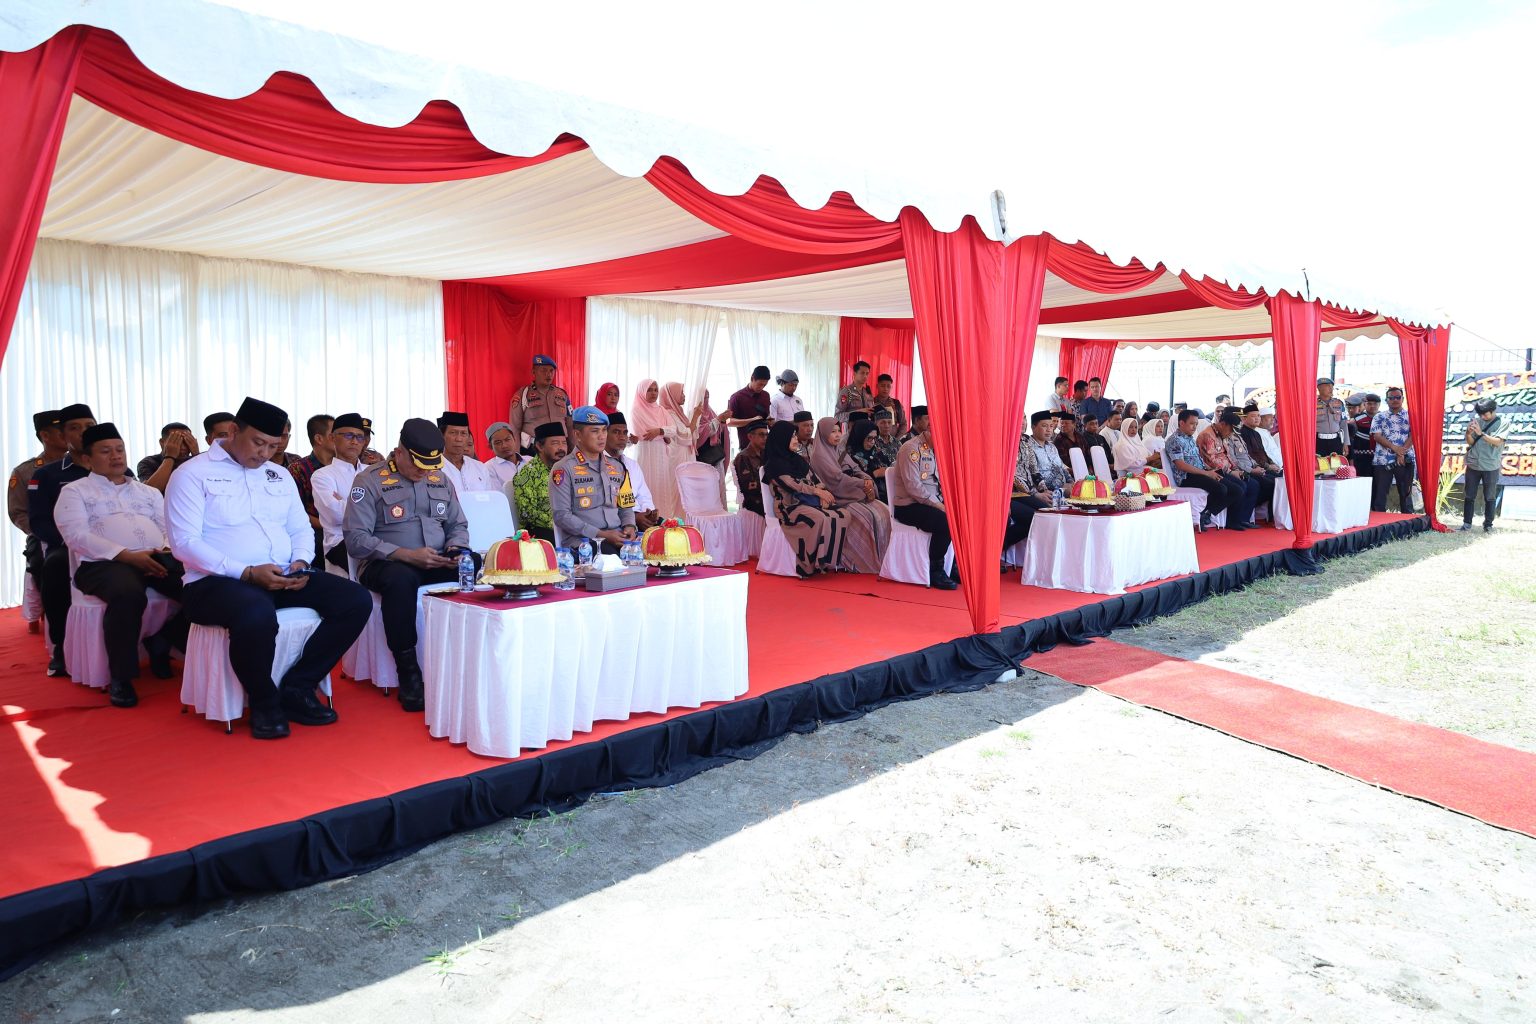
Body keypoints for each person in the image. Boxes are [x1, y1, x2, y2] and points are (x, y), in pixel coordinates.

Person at [168, 397, 371, 738]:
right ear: (234, 431)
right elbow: (184, 543)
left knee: (356, 600)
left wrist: (300, 562)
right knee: (256, 611)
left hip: (282, 574)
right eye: (258, 443)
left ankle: (298, 687)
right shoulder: (192, 474)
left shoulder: (278, 475)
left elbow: (300, 528)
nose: (264, 453)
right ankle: (264, 701)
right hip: (214, 582)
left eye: (273, 446)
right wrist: (246, 573)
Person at [55, 423, 190, 707]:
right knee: (128, 594)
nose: (116, 456)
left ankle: (166, 637)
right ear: (87, 459)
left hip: (155, 557)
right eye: (106, 451)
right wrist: (126, 555)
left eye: (119, 449)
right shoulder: (75, 491)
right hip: (103, 564)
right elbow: (76, 536)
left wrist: (164, 549)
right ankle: (122, 677)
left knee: (199, 585)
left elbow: (168, 528)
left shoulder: (147, 492)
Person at [345, 418, 471, 712]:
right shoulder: (369, 480)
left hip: (435, 559)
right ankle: (409, 672)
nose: (424, 472)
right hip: (387, 563)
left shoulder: (440, 478)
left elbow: (458, 524)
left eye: (430, 466)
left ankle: (464, 657)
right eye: (418, 465)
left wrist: (455, 547)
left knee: (472, 563)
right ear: (400, 452)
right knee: (400, 580)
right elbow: (355, 540)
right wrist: (404, 554)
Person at [29, 403, 97, 675]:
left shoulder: (116, 470)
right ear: (63, 435)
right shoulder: (46, 475)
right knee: (54, 566)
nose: (83, 432)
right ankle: (60, 645)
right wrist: (72, 542)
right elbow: (39, 521)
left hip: (114, 545)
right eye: (75, 428)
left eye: (89, 426)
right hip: (68, 546)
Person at [761, 421, 847, 578]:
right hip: (788, 506)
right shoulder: (774, 465)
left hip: (808, 501)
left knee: (843, 514)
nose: (796, 440)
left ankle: (827, 561)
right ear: (782, 439)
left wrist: (823, 493)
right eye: (792, 437)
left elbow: (816, 479)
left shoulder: (798, 460)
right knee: (819, 518)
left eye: (795, 436)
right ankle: (809, 564)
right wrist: (817, 492)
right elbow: (793, 485)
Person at [8, 410, 66, 634]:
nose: (69, 434)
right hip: (44, 534)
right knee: (44, 563)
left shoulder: (87, 464)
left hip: (87, 531)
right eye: (61, 430)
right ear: (45, 435)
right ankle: (56, 620)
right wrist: (42, 531)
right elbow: (18, 512)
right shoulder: (26, 471)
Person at [550, 406, 637, 554]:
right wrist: (601, 534)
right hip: (584, 542)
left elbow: (626, 506)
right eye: (595, 431)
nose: (602, 436)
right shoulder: (563, 468)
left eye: (604, 430)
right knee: (612, 556)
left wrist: (629, 526)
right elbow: (562, 516)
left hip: (618, 537)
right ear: (578, 435)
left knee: (653, 551)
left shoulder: (617, 467)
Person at [810, 417, 891, 573]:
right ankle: (864, 561)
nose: (837, 435)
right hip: (838, 498)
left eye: (839, 431)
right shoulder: (819, 456)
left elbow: (856, 469)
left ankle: (886, 559)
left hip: (853, 492)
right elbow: (836, 479)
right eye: (833, 432)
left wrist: (867, 480)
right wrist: (862, 484)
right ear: (824, 433)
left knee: (885, 512)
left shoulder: (839, 450)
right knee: (869, 517)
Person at [892, 417, 955, 590]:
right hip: (909, 506)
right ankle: (935, 569)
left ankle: (954, 564)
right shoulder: (911, 449)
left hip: (932, 503)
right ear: (930, 429)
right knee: (946, 522)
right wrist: (939, 505)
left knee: (964, 515)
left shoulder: (938, 449)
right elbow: (914, 487)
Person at [309, 413, 373, 572]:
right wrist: (371, 506)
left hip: (374, 538)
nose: (354, 441)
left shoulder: (372, 472)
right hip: (340, 543)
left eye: (359, 437)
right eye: (348, 435)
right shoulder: (322, 475)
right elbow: (335, 516)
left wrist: (344, 502)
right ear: (332, 438)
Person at [1166, 409, 1233, 531]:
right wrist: (1207, 473)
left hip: (1201, 472)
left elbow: (1198, 459)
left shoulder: (1190, 438)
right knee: (1222, 489)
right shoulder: (1174, 440)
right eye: (1192, 423)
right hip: (1187, 477)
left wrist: (1210, 469)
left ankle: (1207, 513)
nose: (1195, 426)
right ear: (1181, 423)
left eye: (1196, 424)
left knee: (1237, 488)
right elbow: (1181, 465)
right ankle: (1204, 514)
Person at [1197, 411, 1260, 530]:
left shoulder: (1222, 434)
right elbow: (1211, 460)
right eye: (1231, 429)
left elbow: (1228, 455)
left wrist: (1236, 469)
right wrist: (1230, 472)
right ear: (1223, 424)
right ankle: (1225, 518)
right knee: (1239, 487)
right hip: (1213, 471)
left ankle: (1242, 519)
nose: (1231, 433)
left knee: (1253, 484)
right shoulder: (1208, 435)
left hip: (1226, 469)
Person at [1009, 411, 1062, 549]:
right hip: (1011, 495)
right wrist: (1035, 493)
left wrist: (1044, 490)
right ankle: (997, 547)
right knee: (1037, 517)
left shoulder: (1025, 440)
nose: (1022, 422)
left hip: (1025, 494)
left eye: (1024, 418)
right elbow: (1013, 476)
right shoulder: (1007, 441)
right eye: (1018, 418)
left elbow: (1034, 469)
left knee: (1049, 512)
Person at [512, 422, 568, 542]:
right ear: (539, 446)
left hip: (568, 526)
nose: (561, 448)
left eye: (564, 443)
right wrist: (560, 523)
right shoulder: (527, 474)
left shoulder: (569, 469)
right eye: (555, 443)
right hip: (540, 531)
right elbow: (527, 513)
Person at [604, 412, 660, 531]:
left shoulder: (632, 465)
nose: (622, 437)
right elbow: (605, 506)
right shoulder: (598, 464)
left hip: (640, 518)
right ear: (604, 435)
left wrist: (648, 514)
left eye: (625, 433)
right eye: (616, 432)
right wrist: (634, 517)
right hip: (615, 523)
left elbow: (644, 496)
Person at [289, 413, 335, 557]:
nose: (339, 438)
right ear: (319, 439)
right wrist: (330, 525)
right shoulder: (298, 469)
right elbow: (297, 512)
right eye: (334, 434)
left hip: (346, 530)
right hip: (315, 533)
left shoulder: (344, 466)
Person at [507, 354, 572, 454]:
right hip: (533, 449)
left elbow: (570, 425)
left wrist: (573, 452)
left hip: (560, 449)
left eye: (551, 371)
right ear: (534, 372)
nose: (548, 374)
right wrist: (517, 455)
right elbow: (515, 428)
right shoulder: (522, 395)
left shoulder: (562, 394)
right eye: (544, 370)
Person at [1220, 409, 1274, 518]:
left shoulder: (1238, 435)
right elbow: (1233, 460)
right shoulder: (1228, 437)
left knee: (1273, 482)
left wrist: (1256, 466)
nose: (1241, 420)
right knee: (1255, 484)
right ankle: (1240, 518)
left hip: (1251, 468)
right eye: (1239, 418)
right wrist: (1251, 470)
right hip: (1240, 470)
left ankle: (1246, 518)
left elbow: (1247, 456)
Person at [1462, 398, 1505, 532]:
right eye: (1480, 414)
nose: (1482, 417)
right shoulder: (1477, 421)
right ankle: (1467, 524)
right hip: (1473, 464)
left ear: (1493, 411)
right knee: (1469, 495)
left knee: (1490, 497)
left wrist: (1481, 434)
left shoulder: (1503, 423)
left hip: (1490, 465)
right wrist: (1468, 433)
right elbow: (1470, 442)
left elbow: (1498, 442)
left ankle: (1488, 525)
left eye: (1485, 414)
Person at [1370, 387, 1415, 513]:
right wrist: (1395, 448)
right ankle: (1379, 522)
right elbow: (1377, 436)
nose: (1395, 400)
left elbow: (1414, 435)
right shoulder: (1379, 416)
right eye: (1391, 398)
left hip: (1405, 460)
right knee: (1380, 495)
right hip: (1382, 460)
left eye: (1398, 397)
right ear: (1386, 400)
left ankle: (1408, 520)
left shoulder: (1411, 416)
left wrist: (1401, 453)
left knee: (1406, 494)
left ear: (1403, 399)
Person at [437, 411, 496, 493]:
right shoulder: (433, 468)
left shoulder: (480, 467)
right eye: (453, 433)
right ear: (442, 436)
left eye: (463, 433)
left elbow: (489, 497)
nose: (459, 439)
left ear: (468, 437)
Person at [137, 422, 200, 493]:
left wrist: (197, 456)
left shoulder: (196, 460)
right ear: (162, 443)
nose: (183, 447)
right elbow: (149, 492)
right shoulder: (148, 462)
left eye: (187, 442)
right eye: (176, 441)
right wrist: (170, 457)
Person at [1237, 405, 1284, 490]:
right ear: (1244, 418)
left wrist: (1272, 463)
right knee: (1275, 483)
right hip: (1255, 468)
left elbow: (1263, 452)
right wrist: (1268, 466)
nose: (1257, 418)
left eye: (1258, 416)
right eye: (1253, 416)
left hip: (1266, 467)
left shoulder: (1256, 433)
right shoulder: (1243, 433)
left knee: (1282, 479)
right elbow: (1251, 455)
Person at [846, 418, 892, 502]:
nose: (873, 442)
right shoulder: (849, 457)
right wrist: (874, 474)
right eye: (869, 438)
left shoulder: (877, 452)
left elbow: (889, 466)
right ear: (860, 437)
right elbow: (852, 482)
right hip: (867, 499)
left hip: (890, 494)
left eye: (875, 438)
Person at [732, 418, 771, 516]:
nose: (765, 438)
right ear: (750, 436)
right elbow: (750, 487)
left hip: (767, 497)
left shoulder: (766, 454)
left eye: (767, 435)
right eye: (761, 435)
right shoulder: (743, 457)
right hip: (755, 502)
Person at [726, 366, 773, 446]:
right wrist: (751, 420)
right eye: (760, 384)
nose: (761, 387)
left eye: (764, 385)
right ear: (752, 378)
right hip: (747, 445)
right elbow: (728, 422)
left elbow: (767, 415)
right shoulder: (737, 397)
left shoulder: (766, 395)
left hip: (765, 443)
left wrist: (770, 420)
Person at [694, 389, 729, 470]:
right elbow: (700, 432)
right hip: (703, 453)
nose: (706, 400)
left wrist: (723, 419)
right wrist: (718, 419)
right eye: (704, 397)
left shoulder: (710, 411)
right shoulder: (695, 412)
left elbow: (719, 428)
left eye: (708, 397)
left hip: (716, 453)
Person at [1315, 377, 1351, 458]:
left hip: (1336, 441)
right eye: (1327, 386)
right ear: (1319, 388)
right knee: (1320, 464)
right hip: (1319, 442)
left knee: (1336, 465)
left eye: (1332, 386)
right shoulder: (1312, 404)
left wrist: (1345, 443)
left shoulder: (1339, 403)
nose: (1331, 389)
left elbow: (1343, 424)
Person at [483, 421, 525, 489]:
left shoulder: (530, 460)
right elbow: (497, 494)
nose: (504, 446)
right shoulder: (488, 468)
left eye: (507, 440)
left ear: (514, 440)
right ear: (491, 447)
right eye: (498, 442)